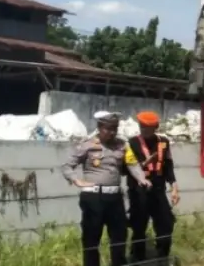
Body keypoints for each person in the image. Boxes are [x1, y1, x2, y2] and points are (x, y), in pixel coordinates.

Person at [61, 111, 151, 266]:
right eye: (108, 128)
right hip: (93, 198)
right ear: (99, 127)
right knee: (91, 238)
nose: (111, 132)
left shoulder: (122, 145)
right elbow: (67, 166)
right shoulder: (87, 145)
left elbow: (132, 164)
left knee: (119, 237)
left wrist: (142, 179)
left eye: (114, 128)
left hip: (115, 199)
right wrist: (76, 180)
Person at [124, 111, 180, 263]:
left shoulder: (163, 142)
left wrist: (174, 187)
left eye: (148, 127)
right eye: (141, 126)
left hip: (158, 191)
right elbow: (125, 170)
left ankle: (162, 258)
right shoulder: (132, 143)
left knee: (166, 224)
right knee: (138, 227)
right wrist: (146, 162)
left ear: (155, 127)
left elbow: (168, 167)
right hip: (139, 192)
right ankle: (138, 259)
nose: (144, 129)